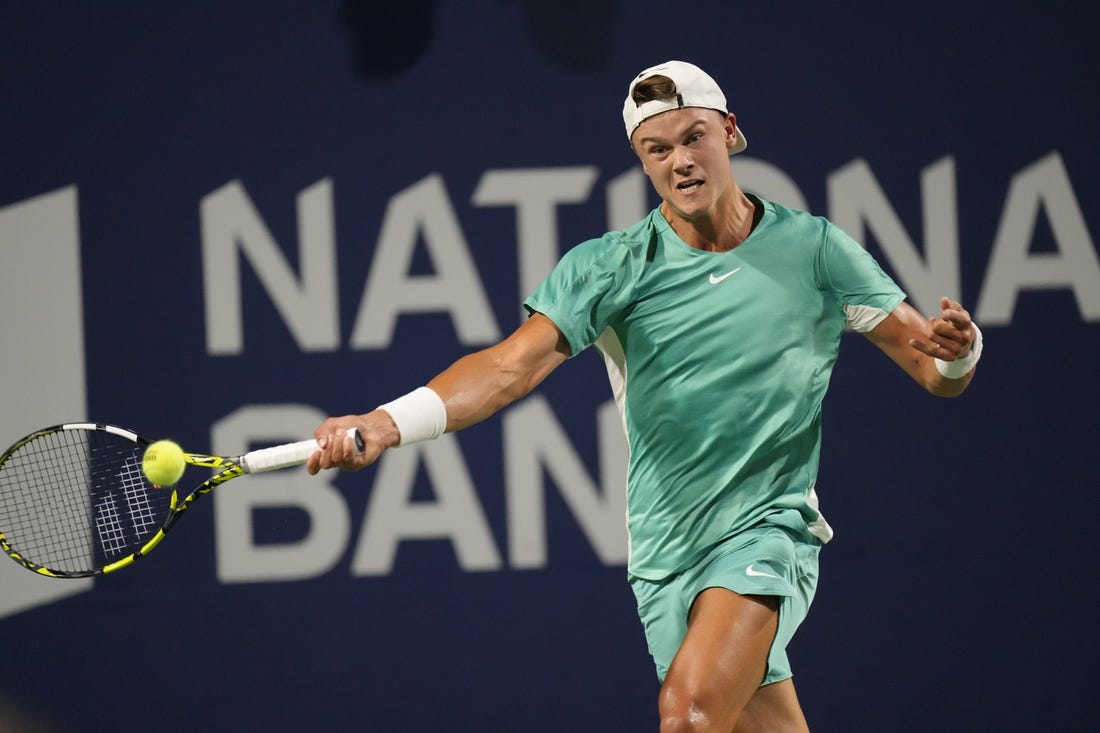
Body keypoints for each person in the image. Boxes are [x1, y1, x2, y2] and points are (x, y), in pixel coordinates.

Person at [307, 60, 983, 732]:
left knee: (688, 715)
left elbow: (932, 368)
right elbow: (507, 368)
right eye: (656, 149)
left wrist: (960, 352)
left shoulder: (816, 250)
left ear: (730, 131)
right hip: (665, 555)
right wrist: (386, 422)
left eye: (694, 138)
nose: (679, 161)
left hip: (768, 526)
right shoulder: (609, 267)